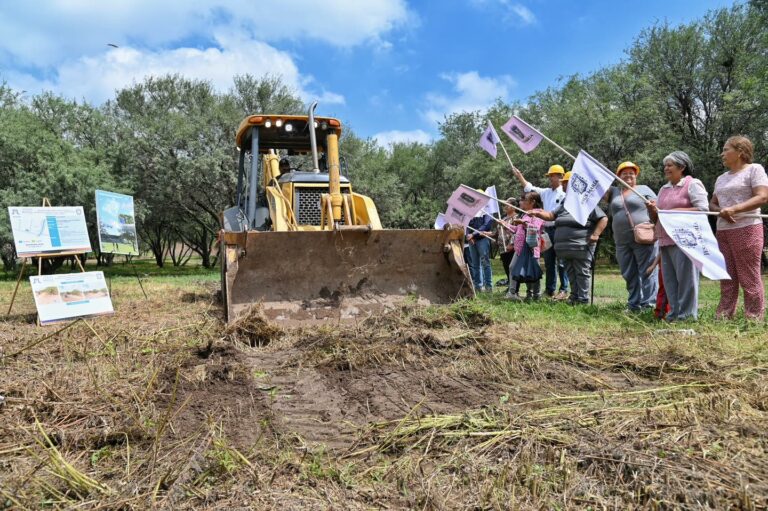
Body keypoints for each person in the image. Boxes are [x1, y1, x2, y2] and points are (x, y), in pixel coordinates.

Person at [646, 151, 709, 321]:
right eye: (665, 165)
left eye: (670, 165)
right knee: (670, 281)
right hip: (665, 240)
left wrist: (674, 211)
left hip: (686, 241)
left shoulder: (692, 184)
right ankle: (673, 315)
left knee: (686, 280)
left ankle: (687, 316)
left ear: (682, 167)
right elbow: (657, 217)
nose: (666, 168)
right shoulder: (663, 189)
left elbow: (703, 209)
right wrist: (652, 210)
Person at [710, 136, 768, 320]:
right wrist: (721, 211)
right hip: (723, 231)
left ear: (740, 152)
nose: (722, 153)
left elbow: (762, 197)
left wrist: (735, 209)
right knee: (727, 276)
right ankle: (724, 315)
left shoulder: (754, 170)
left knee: (748, 276)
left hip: (747, 228)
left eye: (726, 149)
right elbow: (712, 203)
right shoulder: (721, 178)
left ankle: (753, 318)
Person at [531, 172, 608, 305]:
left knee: (581, 272)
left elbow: (603, 218)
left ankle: (583, 299)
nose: (564, 186)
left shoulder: (586, 201)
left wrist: (595, 234)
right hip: (564, 248)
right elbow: (551, 215)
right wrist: (537, 212)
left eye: (566, 183)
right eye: (564, 183)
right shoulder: (565, 202)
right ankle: (574, 296)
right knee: (570, 271)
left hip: (581, 245)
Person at [606, 161, 659, 312]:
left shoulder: (643, 189)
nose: (628, 176)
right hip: (622, 240)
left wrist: (653, 207)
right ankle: (634, 304)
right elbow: (596, 189)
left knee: (647, 271)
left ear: (636, 175)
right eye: (624, 173)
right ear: (618, 176)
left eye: (631, 173)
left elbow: (658, 207)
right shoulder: (614, 192)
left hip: (644, 237)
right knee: (628, 272)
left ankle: (649, 305)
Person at [512, 164, 569, 299]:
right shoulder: (546, 192)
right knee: (549, 261)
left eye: (552, 176)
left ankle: (564, 289)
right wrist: (520, 176)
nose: (550, 178)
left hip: (560, 229)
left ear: (561, 177)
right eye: (549, 176)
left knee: (561, 261)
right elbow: (529, 188)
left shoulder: (566, 193)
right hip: (547, 230)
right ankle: (550, 289)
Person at [507, 191, 545, 301]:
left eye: (525, 200)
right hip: (519, 248)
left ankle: (535, 295)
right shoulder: (525, 214)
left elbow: (535, 228)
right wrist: (506, 225)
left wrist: (523, 223)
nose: (522, 202)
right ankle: (512, 293)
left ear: (532, 202)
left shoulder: (539, 213)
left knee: (533, 271)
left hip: (531, 248)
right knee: (512, 267)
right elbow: (517, 230)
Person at [466, 210, 494, 292]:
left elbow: (486, 226)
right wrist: (468, 236)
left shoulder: (486, 211)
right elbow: (466, 224)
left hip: (482, 240)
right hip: (472, 241)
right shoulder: (470, 211)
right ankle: (478, 287)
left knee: (485, 263)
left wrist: (473, 234)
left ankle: (488, 287)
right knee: (475, 264)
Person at [495, 198, 519, 288]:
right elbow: (497, 233)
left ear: (513, 207)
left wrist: (512, 244)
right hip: (502, 248)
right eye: (504, 204)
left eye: (507, 204)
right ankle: (510, 285)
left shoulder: (516, 218)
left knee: (511, 267)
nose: (505, 206)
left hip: (510, 247)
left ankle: (514, 288)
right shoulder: (504, 218)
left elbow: (517, 232)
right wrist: (488, 233)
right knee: (506, 267)